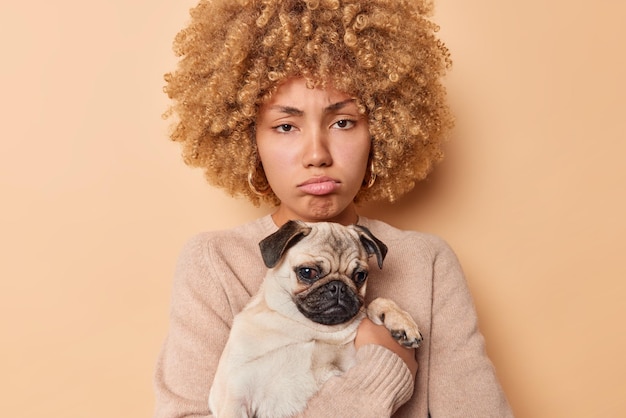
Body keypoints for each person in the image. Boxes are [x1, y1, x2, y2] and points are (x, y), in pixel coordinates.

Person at [154, 0, 513, 417]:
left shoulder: (427, 262)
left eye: (342, 122)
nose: (317, 154)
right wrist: (381, 372)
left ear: (381, 128)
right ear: (248, 138)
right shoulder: (215, 262)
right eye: (286, 126)